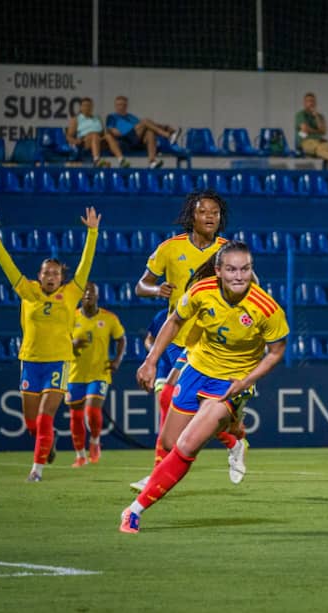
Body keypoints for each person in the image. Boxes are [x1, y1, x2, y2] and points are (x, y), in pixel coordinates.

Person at [120, 240, 289, 533]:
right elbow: (174, 321)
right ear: (219, 271)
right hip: (197, 369)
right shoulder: (200, 291)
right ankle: (234, 438)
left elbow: (275, 352)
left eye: (246, 269)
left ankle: (134, 511)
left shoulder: (267, 308)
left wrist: (246, 382)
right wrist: (150, 360)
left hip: (232, 381)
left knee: (187, 444)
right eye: (232, 269)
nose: (239, 276)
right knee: (171, 443)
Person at [130, 190, 247, 490]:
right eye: (204, 211)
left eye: (215, 213)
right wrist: (157, 291)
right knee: (178, 406)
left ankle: (157, 475)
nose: (210, 217)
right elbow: (141, 285)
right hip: (173, 338)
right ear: (191, 216)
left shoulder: (226, 251)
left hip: (207, 342)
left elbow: (251, 284)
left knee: (170, 399)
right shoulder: (170, 248)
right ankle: (233, 441)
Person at [0, 206, 101, 482]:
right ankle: (46, 444)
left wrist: (92, 232)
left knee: (45, 415)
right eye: (47, 273)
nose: (51, 277)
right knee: (31, 423)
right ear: (40, 275)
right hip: (30, 361)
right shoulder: (28, 291)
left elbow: (86, 262)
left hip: (58, 361)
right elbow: (7, 265)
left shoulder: (71, 293)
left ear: (62, 278)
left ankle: (36, 471)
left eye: (55, 274)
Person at [66, 282, 126, 467]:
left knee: (92, 410)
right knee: (76, 416)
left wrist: (116, 360)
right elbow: (59, 341)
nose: (87, 296)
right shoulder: (71, 317)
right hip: (74, 374)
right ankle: (80, 455)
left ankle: (94, 441)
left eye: (91, 293)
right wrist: (72, 345)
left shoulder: (109, 318)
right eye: (84, 294)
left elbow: (121, 339)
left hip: (99, 373)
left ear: (97, 296)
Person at [105, 95, 181, 170]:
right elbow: (115, 132)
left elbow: (147, 125)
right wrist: (130, 130)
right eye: (119, 105)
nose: (121, 107)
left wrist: (165, 126)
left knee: (150, 131)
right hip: (125, 139)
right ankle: (168, 136)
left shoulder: (131, 117)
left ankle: (152, 162)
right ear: (115, 106)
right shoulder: (112, 117)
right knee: (145, 121)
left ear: (126, 106)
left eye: (124, 105)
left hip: (136, 139)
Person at [66, 97, 129, 168]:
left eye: (89, 106)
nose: (87, 107)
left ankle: (121, 160)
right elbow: (69, 136)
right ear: (81, 108)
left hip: (99, 140)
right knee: (94, 135)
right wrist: (75, 141)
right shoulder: (76, 119)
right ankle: (96, 160)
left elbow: (103, 132)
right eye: (85, 106)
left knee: (108, 136)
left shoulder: (97, 118)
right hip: (85, 142)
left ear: (92, 107)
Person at [295, 92, 328, 169]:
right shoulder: (300, 115)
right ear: (305, 103)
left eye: (312, 101)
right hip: (305, 141)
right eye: (308, 101)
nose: (311, 103)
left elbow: (324, 131)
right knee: (319, 148)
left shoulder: (320, 116)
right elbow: (305, 129)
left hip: (319, 141)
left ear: (315, 103)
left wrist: (316, 116)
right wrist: (318, 131)